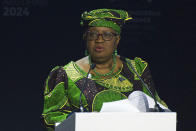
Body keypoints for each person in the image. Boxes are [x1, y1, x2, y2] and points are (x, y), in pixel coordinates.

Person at [41, 9, 167, 131]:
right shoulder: (64, 75)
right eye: (93, 34)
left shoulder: (136, 70)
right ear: (86, 38)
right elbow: (51, 118)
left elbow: (157, 107)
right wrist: (80, 120)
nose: (99, 40)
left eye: (107, 35)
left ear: (117, 40)